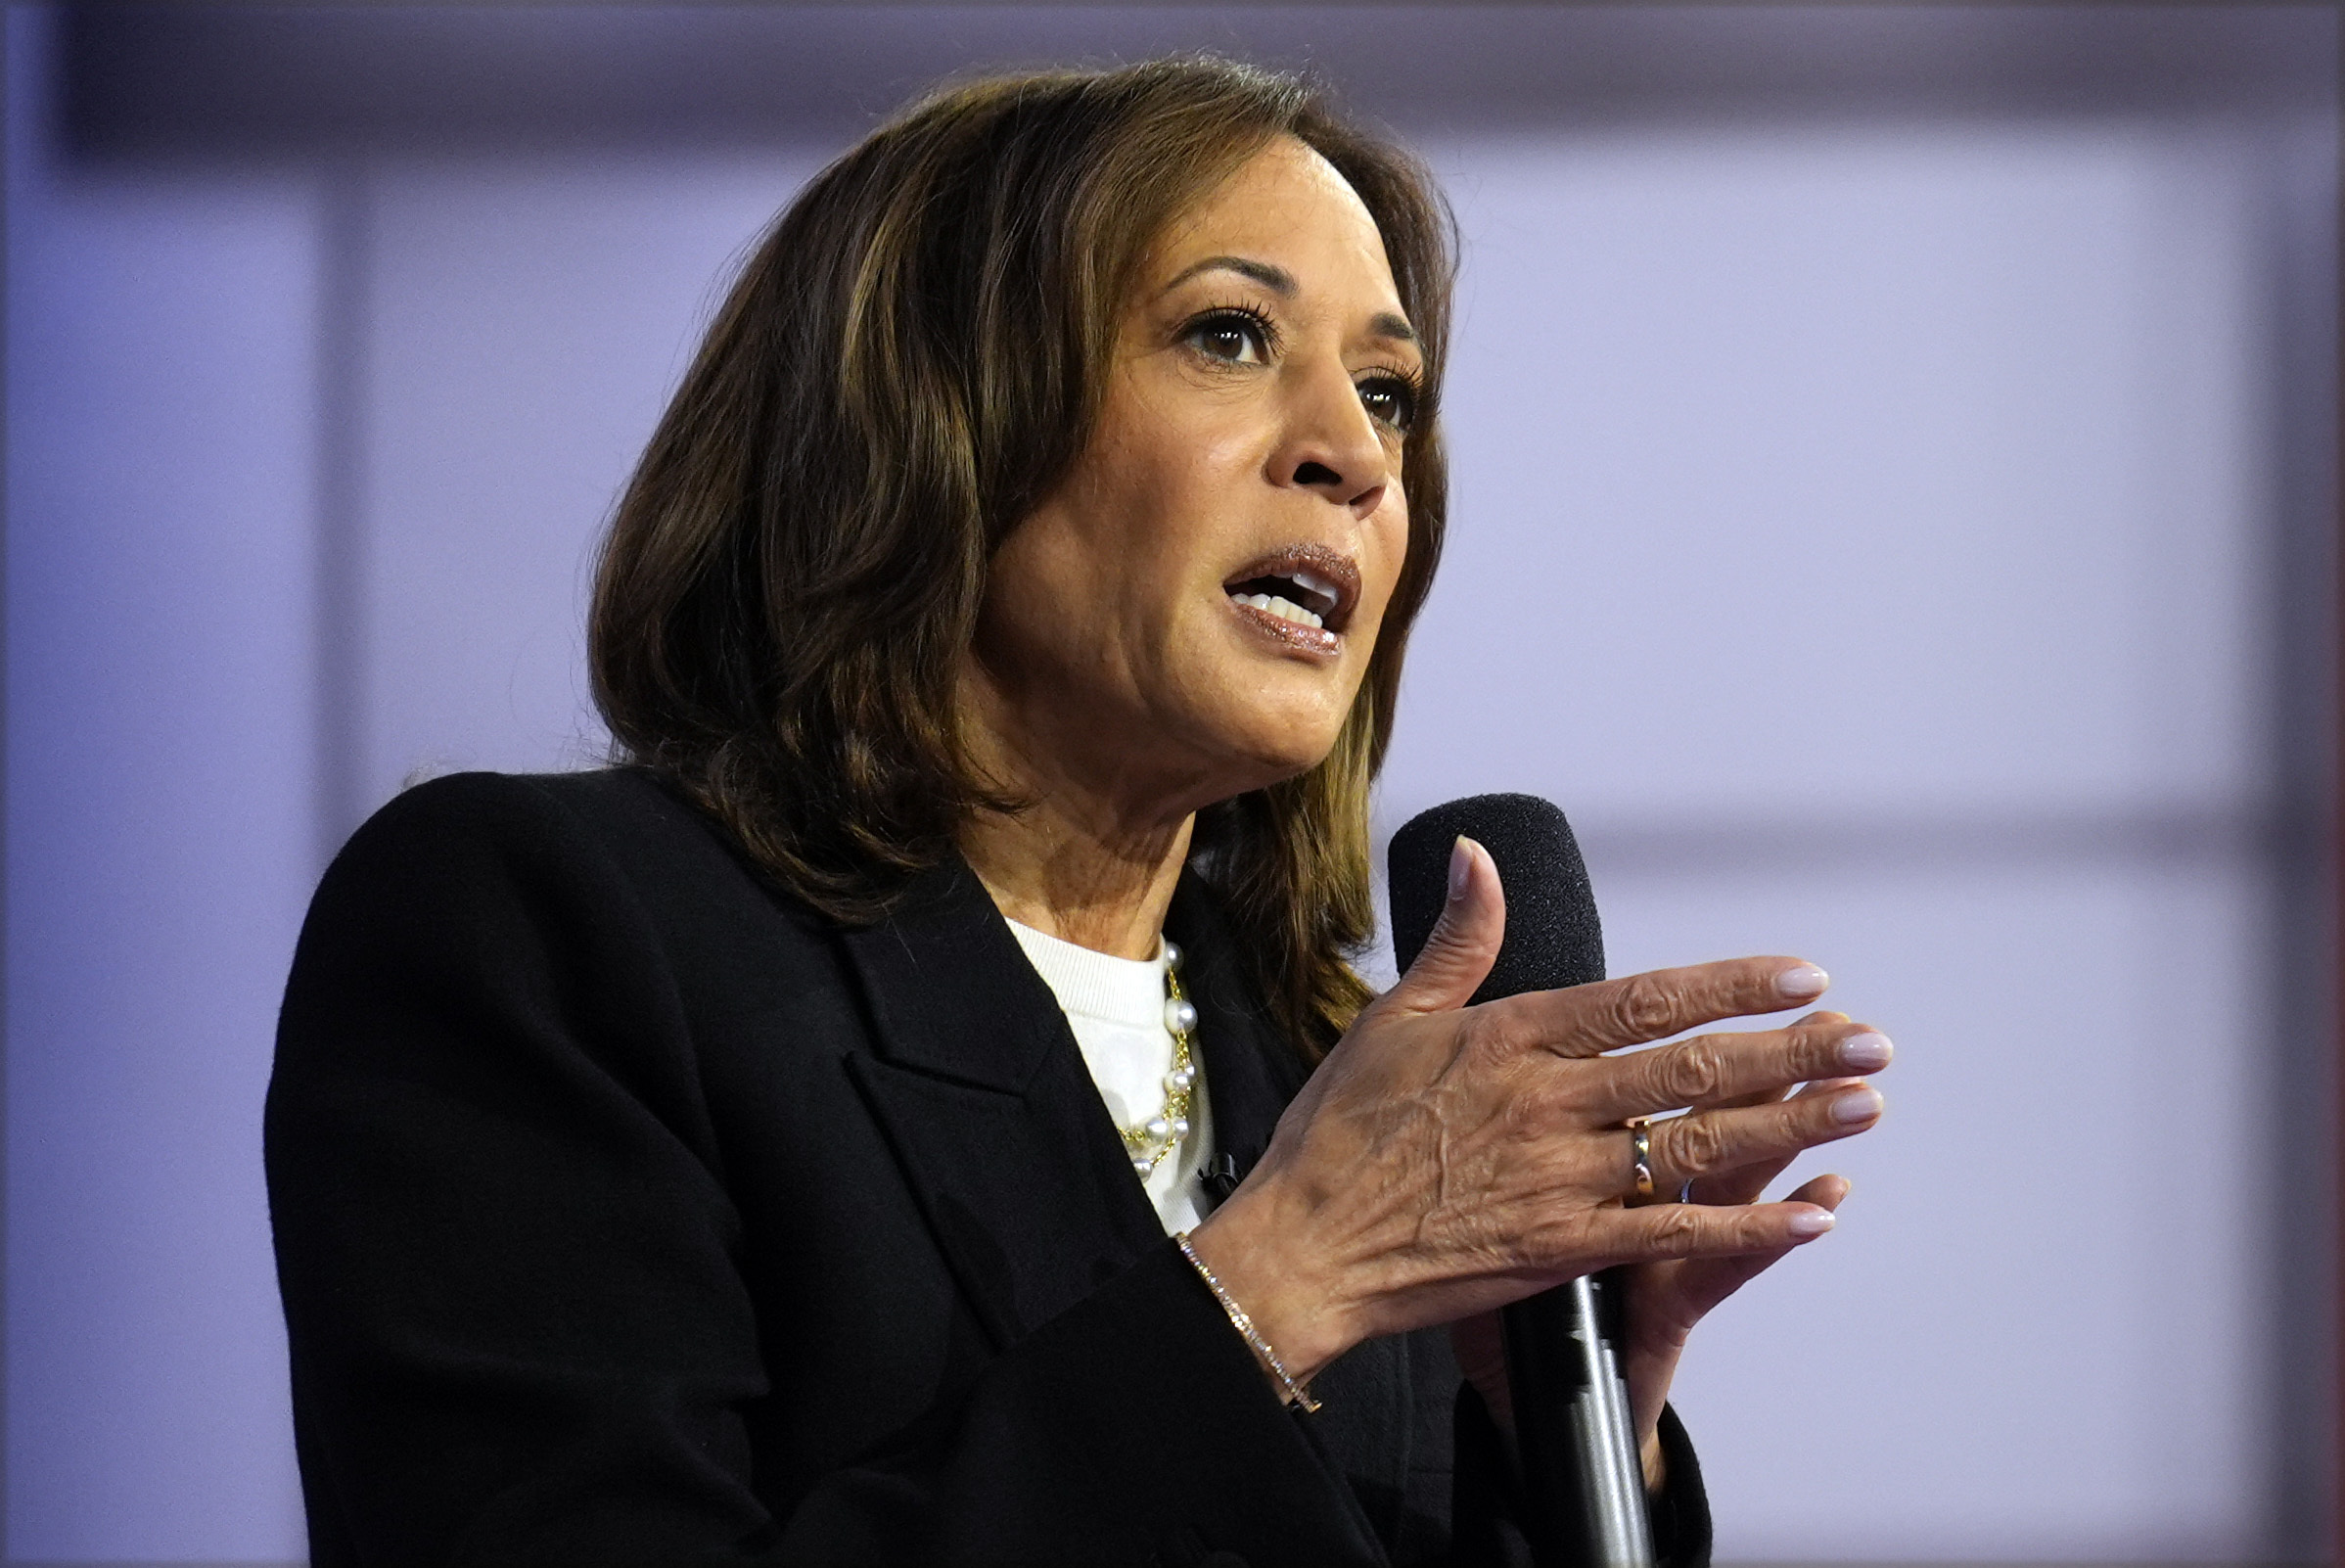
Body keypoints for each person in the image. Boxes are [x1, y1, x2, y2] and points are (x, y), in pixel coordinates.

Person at [266, 56, 1890, 1566]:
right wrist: (1273, 1287)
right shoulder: (548, 933)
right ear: (934, 419)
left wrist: (1577, 1424)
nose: (1353, 456)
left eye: (1388, 392)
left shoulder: (1321, 1075)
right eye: (1230, 336)